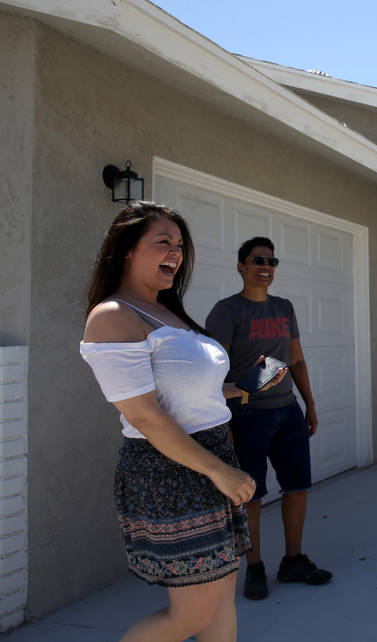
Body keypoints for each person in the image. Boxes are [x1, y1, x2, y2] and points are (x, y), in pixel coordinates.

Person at [80, 201, 286, 642]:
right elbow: (144, 415)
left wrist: (246, 386)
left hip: (210, 458)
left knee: (219, 601)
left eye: (179, 244)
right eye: (162, 242)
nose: (175, 252)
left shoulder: (167, 312)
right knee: (190, 615)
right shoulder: (114, 316)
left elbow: (192, 393)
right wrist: (219, 471)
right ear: (128, 250)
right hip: (168, 472)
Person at [205, 236, 331, 601]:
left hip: (287, 410)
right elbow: (212, 371)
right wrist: (223, 421)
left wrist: (309, 404)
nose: (265, 267)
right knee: (252, 495)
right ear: (241, 266)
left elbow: (296, 360)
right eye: (257, 260)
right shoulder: (227, 311)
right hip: (246, 416)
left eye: (272, 261)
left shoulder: (284, 307)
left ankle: (293, 560)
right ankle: (255, 568)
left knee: (297, 488)